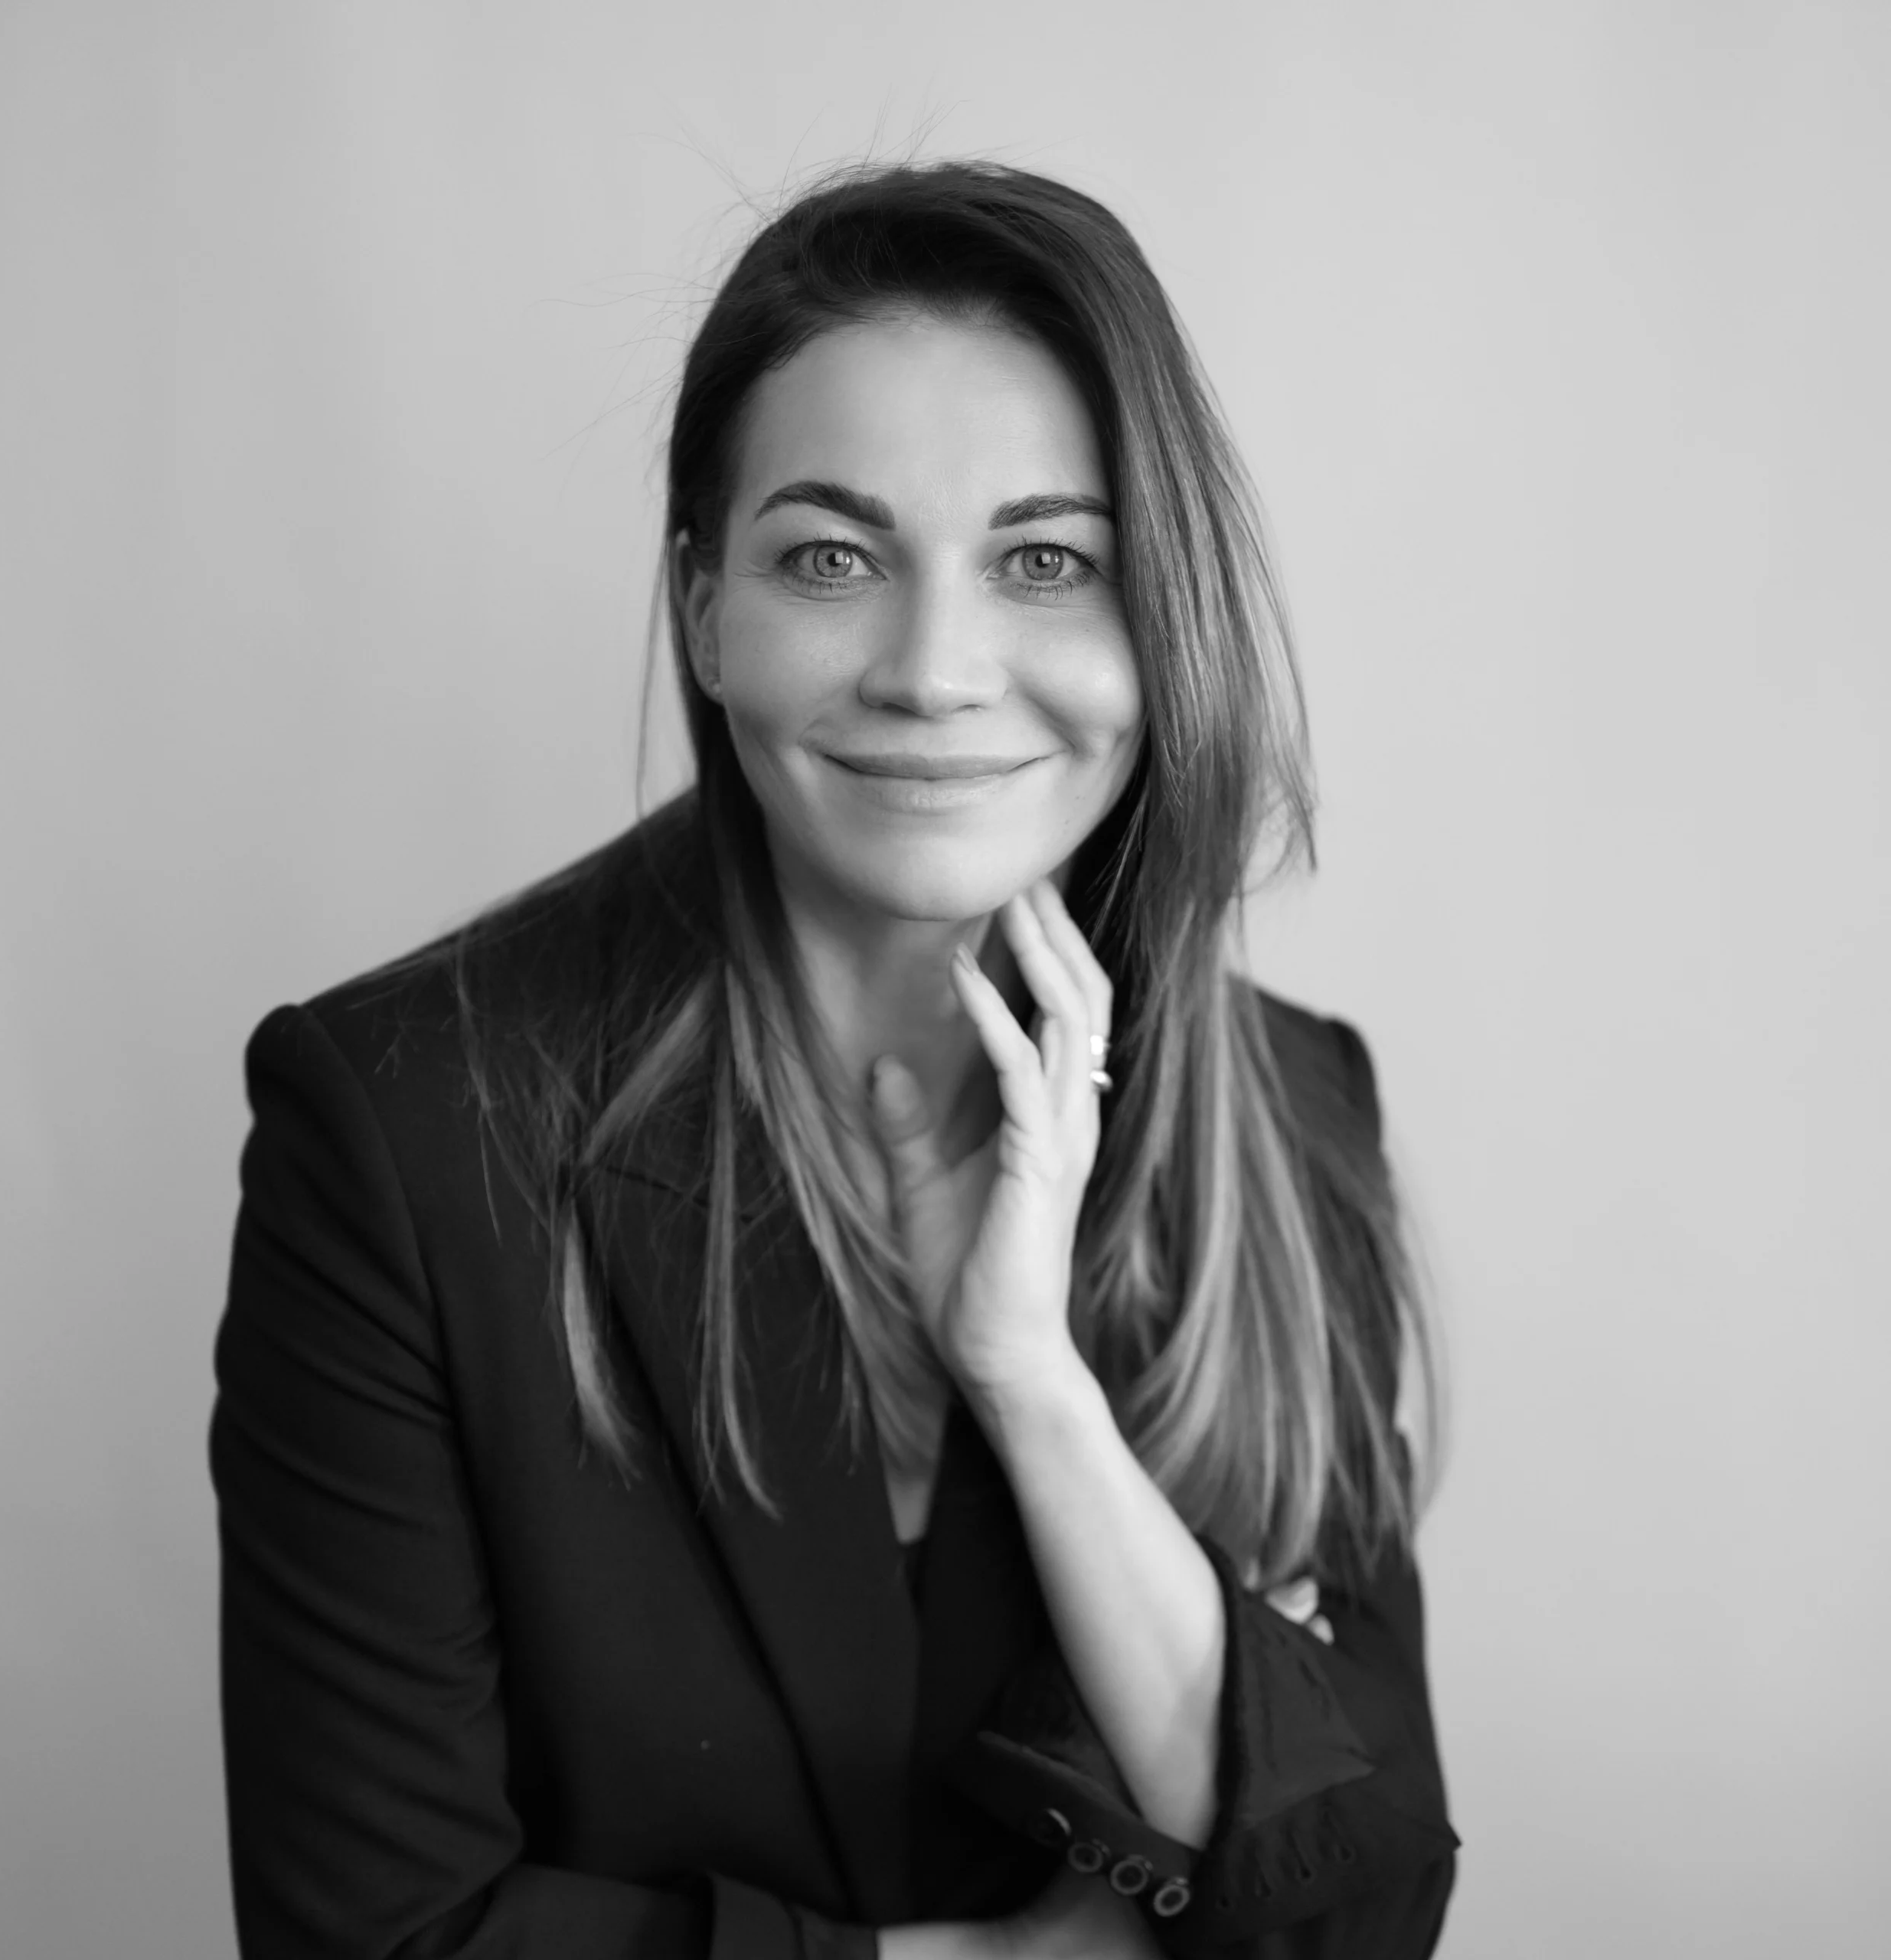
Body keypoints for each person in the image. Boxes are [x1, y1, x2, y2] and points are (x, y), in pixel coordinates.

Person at [211, 159, 1458, 1960]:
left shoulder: (1292, 1106)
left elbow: (1355, 1910)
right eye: (828, 555)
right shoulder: (400, 1127)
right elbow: (381, 1941)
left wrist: (1030, 1383)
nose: (935, 669)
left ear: (1156, 619)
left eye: (1047, 560)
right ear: (704, 609)